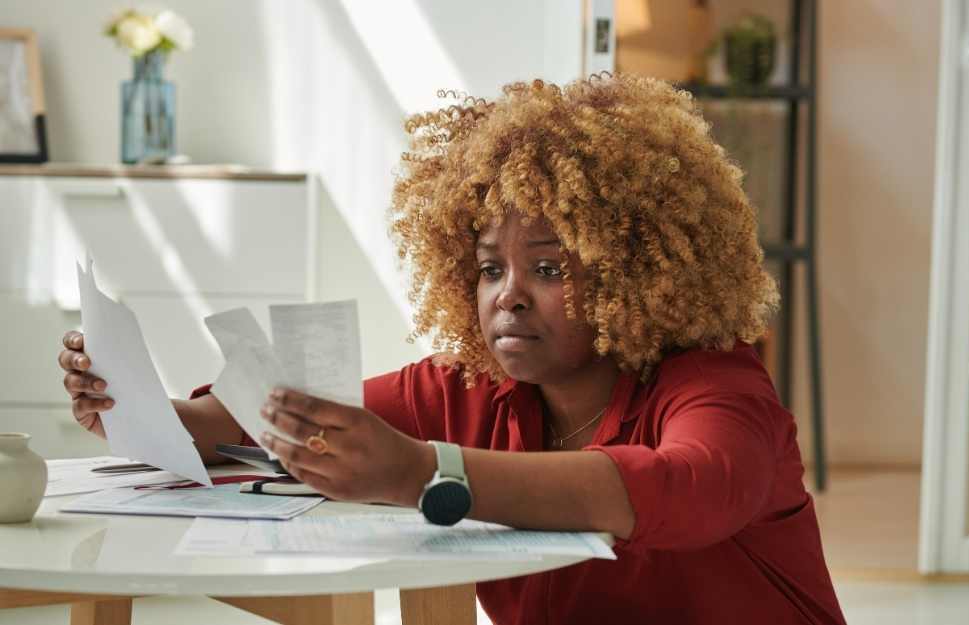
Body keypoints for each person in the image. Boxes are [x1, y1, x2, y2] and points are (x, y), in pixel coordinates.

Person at [57, 74, 847, 625]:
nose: (508, 295)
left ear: (630, 270)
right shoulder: (472, 388)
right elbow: (288, 418)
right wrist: (145, 409)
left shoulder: (717, 385)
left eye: (547, 268)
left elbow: (690, 483)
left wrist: (428, 471)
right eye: (488, 268)